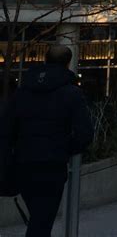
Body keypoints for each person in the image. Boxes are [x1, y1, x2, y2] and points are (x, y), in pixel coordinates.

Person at [0, 45, 94, 237]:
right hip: (51, 166)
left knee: (39, 218)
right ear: (68, 63)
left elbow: (6, 130)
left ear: (45, 60)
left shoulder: (23, 92)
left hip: (24, 164)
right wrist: (64, 148)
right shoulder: (71, 93)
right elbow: (85, 133)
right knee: (42, 222)